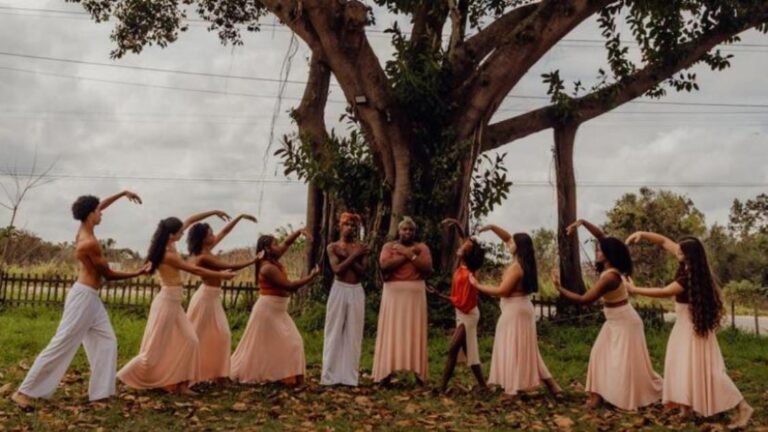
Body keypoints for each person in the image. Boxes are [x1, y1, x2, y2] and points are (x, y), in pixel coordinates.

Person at [12, 191, 150, 409]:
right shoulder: (89, 243)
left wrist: (123, 194)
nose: (101, 213)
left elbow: (100, 204)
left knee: (107, 342)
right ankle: (24, 391)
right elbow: (109, 275)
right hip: (83, 298)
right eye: (98, 211)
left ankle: (100, 395)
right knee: (62, 342)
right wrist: (138, 273)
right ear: (90, 214)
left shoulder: (84, 229)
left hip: (91, 298)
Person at [625, 231, 753, 428]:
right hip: (686, 328)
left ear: (688, 256)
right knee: (682, 367)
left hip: (691, 329)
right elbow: (664, 240)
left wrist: (634, 290)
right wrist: (642, 234)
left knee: (711, 373)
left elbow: (664, 292)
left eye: (681, 251)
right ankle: (685, 408)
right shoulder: (691, 264)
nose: (677, 251)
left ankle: (743, 407)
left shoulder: (688, 277)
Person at [117, 211, 236, 395]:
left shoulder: (170, 242)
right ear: (171, 234)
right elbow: (194, 269)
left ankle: (180, 384)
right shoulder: (167, 255)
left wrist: (214, 212)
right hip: (166, 303)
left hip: (174, 303)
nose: (183, 235)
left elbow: (190, 219)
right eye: (180, 232)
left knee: (191, 341)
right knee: (153, 351)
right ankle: (121, 376)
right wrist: (222, 275)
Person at [554, 219, 662, 410]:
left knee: (624, 362)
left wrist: (559, 289)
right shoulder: (610, 270)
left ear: (608, 255)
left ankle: (616, 397)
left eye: (599, 251)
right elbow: (601, 236)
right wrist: (581, 223)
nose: (597, 252)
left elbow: (584, 299)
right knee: (599, 355)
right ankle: (597, 396)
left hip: (625, 322)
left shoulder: (611, 277)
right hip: (615, 321)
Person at [470, 224, 561, 397]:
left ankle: (513, 388)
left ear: (517, 247)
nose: (508, 243)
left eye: (513, 242)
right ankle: (553, 386)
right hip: (522, 308)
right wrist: (491, 227)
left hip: (515, 310)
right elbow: (506, 237)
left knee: (512, 347)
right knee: (526, 349)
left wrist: (477, 285)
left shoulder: (516, 267)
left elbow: (502, 291)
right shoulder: (525, 264)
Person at [230, 228, 320, 386]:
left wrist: (299, 232)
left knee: (287, 343)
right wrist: (311, 277)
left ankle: (284, 375)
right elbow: (289, 286)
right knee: (291, 343)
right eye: (275, 244)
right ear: (267, 249)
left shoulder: (273, 259)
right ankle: (284, 376)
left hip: (279, 311)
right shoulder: (267, 268)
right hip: (268, 311)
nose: (279, 246)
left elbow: (287, 243)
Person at [186, 214, 262, 383]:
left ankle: (218, 375)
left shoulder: (208, 249)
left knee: (221, 335)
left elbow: (225, 231)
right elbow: (228, 267)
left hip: (213, 298)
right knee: (202, 336)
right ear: (203, 238)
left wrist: (240, 217)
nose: (214, 235)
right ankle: (192, 374)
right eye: (210, 233)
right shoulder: (202, 256)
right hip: (205, 299)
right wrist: (253, 260)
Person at [428, 218, 487, 393]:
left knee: (453, 348)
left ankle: (441, 387)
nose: (460, 247)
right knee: (469, 351)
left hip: (468, 314)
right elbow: (465, 239)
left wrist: (438, 295)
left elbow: (462, 302)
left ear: (468, 255)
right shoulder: (462, 266)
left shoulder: (470, 275)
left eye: (464, 248)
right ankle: (482, 385)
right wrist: (457, 225)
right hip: (461, 311)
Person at [373, 216, 432, 385]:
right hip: (393, 293)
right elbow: (385, 266)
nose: (407, 232)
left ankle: (419, 374)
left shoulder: (422, 247)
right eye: (404, 229)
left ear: (415, 232)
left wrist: (408, 253)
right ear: (399, 231)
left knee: (415, 331)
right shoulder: (389, 247)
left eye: (411, 230)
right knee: (391, 331)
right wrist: (409, 255)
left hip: (415, 294)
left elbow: (427, 268)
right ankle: (385, 373)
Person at [321, 213, 369, 386]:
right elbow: (338, 270)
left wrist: (350, 256)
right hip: (339, 289)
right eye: (347, 224)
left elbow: (363, 272)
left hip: (356, 290)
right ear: (340, 226)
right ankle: (329, 376)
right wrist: (352, 256)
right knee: (333, 331)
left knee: (353, 333)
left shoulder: (360, 247)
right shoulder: (332, 247)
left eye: (353, 225)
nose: (350, 228)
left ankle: (349, 377)